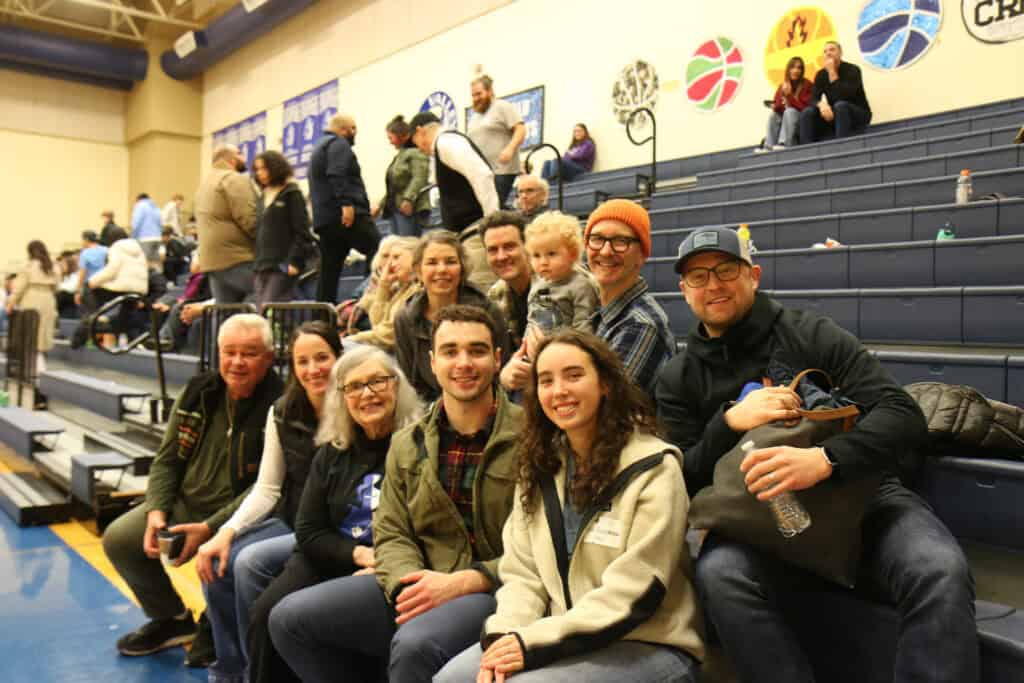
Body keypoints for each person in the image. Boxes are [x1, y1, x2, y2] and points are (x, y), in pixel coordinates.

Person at [655, 226, 978, 683]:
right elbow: (680, 477)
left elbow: (901, 413)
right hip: (756, 520)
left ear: (754, 275)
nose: (713, 284)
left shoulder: (809, 332)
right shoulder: (677, 376)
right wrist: (727, 423)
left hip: (861, 496)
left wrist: (824, 459)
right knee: (722, 576)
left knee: (939, 570)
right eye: (697, 276)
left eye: (726, 270)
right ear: (684, 291)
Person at [268, 304, 523, 683]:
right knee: (289, 620)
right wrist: (408, 582)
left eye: (478, 350)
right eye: (451, 351)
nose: (464, 362)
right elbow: (390, 530)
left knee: (415, 645)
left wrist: (464, 582)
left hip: (491, 585)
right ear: (433, 363)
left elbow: (539, 547)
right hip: (418, 579)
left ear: (497, 358)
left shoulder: (531, 438)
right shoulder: (408, 441)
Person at [437, 330, 704, 683]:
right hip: (560, 636)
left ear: (605, 384)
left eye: (574, 376)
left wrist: (532, 643)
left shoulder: (655, 467)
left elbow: (636, 592)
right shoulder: (540, 466)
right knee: (451, 680)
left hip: (650, 641)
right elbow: (522, 576)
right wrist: (505, 636)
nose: (559, 390)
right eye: (546, 381)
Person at [102, 315, 283, 660]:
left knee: (229, 558)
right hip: (187, 503)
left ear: (269, 359)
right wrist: (157, 511)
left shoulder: (282, 405)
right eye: (229, 352)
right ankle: (172, 618)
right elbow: (167, 459)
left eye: (250, 353)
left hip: (243, 516)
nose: (237, 362)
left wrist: (211, 528)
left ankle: (216, 622)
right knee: (121, 538)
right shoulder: (198, 392)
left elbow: (268, 487)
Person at [245, 346, 424, 683]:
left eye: (377, 382)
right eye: (354, 386)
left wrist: (383, 562)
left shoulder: (420, 445)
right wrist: (359, 555)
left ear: (397, 387)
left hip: (395, 563)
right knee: (266, 613)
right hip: (332, 554)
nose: (367, 394)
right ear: (341, 398)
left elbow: (429, 526)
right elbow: (309, 530)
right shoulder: (333, 451)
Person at [195, 322, 341, 683]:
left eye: (322, 358)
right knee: (218, 562)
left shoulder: (355, 404)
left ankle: (260, 671)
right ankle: (231, 669)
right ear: (292, 366)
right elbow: (267, 489)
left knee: (249, 562)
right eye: (302, 361)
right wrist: (225, 531)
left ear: (339, 358)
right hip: (288, 519)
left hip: (327, 527)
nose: (313, 369)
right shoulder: (281, 411)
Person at [392, 230, 510, 402]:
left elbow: (500, 372)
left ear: (462, 269)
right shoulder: (405, 319)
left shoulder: (488, 312)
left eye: (450, 262)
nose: (441, 270)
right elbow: (412, 385)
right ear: (418, 271)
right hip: (430, 409)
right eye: (432, 263)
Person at [583, 199, 674, 397]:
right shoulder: (598, 311)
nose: (606, 251)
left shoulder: (640, 325)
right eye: (597, 239)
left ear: (642, 254)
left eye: (620, 242)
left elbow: (604, 407)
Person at [409, 111, 499, 293]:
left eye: (415, 142)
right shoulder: (444, 144)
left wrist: (492, 222)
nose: (419, 149)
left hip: (476, 232)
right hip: (468, 234)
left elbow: (482, 175)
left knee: (482, 293)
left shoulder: (446, 142)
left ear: (420, 131)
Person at [308, 113, 381, 305]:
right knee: (379, 250)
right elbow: (337, 174)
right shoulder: (338, 144)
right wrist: (347, 204)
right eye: (352, 128)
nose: (355, 132)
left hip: (326, 221)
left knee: (328, 274)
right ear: (342, 129)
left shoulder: (318, 148)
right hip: (346, 216)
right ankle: (368, 301)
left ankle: (322, 317)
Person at [522, 211, 599, 357]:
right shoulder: (537, 285)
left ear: (573, 254)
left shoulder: (581, 285)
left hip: (568, 354)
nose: (543, 262)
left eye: (551, 254)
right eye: (536, 255)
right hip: (536, 353)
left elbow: (584, 327)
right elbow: (531, 321)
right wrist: (526, 347)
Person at [195, 144, 259, 304]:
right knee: (267, 293)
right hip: (236, 257)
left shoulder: (205, 184)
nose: (245, 158)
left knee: (225, 314)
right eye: (240, 154)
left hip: (212, 261)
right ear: (231, 159)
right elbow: (249, 218)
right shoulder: (233, 179)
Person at [252, 150, 315, 307]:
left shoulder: (292, 193)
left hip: (282, 264)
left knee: (270, 308)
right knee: (261, 309)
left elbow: (303, 233)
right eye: (257, 169)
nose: (260, 173)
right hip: (262, 264)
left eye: (264, 168)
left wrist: (294, 261)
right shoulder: (261, 197)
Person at [344, 236, 420, 352]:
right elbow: (377, 322)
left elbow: (388, 336)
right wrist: (384, 285)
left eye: (396, 257)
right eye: (386, 256)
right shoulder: (402, 287)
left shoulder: (418, 290)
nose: (390, 263)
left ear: (415, 258)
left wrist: (350, 340)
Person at [7, 240, 59, 405]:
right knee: (41, 343)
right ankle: (42, 378)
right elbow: (57, 286)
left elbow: (19, 288)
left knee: (30, 343)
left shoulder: (28, 266)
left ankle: (36, 382)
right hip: (49, 302)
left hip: (31, 301)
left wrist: (10, 303)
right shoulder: (52, 266)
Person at [467, 74, 526, 206]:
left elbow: (520, 129)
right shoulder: (474, 116)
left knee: (493, 206)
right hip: (483, 172)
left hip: (503, 170)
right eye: (473, 95)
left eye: (479, 94)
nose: (476, 98)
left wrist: (510, 149)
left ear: (490, 91)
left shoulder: (503, 107)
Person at [798, 41, 872, 145]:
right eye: (825, 51)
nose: (828, 53)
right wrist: (822, 105)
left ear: (840, 53)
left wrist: (832, 72)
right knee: (807, 112)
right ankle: (806, 151)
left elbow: (844, 96)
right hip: (836, 114)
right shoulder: (821, 74)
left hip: (858, 113)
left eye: (832, 50)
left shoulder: (853, 70)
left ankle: (841, 147)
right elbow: (813, 98)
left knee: (840, 105)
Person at [481, 211, 532, 352]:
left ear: (527, 246)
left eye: (509, 246)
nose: (501, 256)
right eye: (493, 250)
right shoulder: (494, 296)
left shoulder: (560, 282)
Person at [373, 115, 431, 237]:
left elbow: (420, 177)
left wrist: (408, 199)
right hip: (396, 208)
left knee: (408, 245)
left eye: (391, 137)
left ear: (403, 135)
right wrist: (380, 205)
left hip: (408, 209)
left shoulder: (416, 153)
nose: (390, 141)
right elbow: (394, 187)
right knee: (398, 246)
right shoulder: (401, 155)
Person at [87, 235, 149, 347]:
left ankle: (96, 318)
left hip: (121, 290)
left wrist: (92, 281)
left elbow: (111, 270)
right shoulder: (140, 250)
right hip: (139, 291)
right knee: (122, 316)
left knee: (88, 289)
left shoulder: (116, 248)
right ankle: (107, 321)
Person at [759, 56, 813, 152]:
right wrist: (777, 104)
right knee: (773, 116)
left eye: (799, 68)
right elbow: (778, 108)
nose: (796, 70)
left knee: (790, 111)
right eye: (793, 67)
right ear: (788, 70)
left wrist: (789, 97)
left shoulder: (807, 84)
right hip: (786, 120)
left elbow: (805, 108)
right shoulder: (783, 85)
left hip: (800, 119)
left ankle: (784, 143)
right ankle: (768, 146)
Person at [132, 193, 164, 262]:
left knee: (144, 262)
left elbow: (136, 222)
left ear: (138, 200)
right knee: (155, 262)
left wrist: (133, 237)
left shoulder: (140, 205)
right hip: (157, 238)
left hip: (145, 238)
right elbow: (161, 223)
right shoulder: (156, 207)